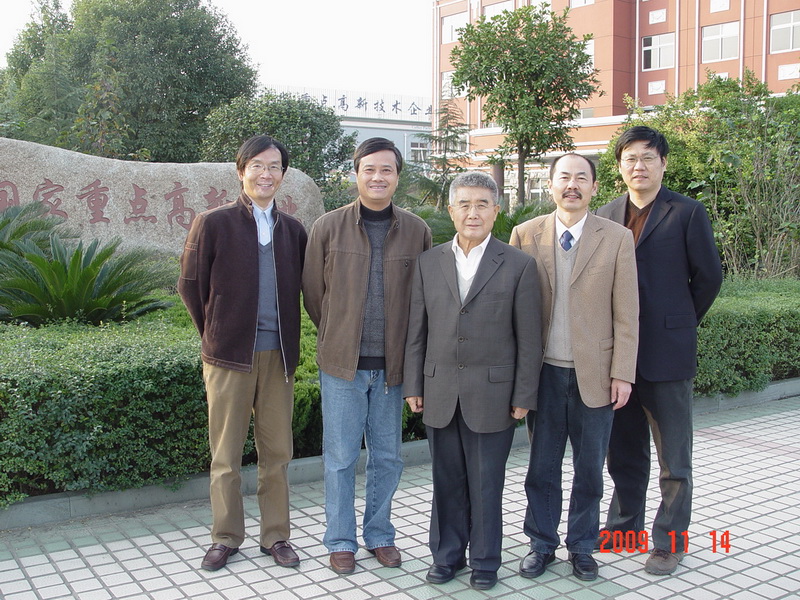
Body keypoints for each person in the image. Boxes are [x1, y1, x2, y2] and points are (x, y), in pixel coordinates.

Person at [404, 172, 542, 591]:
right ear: (451, 211)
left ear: (496, 210)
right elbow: (416, 330)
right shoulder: (429, 262)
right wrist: (414, 385)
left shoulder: (519, 265)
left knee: (486, 484)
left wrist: (524, 394)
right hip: (440, 389)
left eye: (482, 204)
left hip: (494, 395)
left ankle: (485, 561)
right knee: (446, 481)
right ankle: (447, 556)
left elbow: (529, 338)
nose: (473, 213)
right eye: (464, 204)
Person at [597, 126, 722, 576]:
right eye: (630, 158)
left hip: (667, 354)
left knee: (674, 458)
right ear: (619, 166)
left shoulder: (687, 212)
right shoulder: (606, 215)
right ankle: (623, 528)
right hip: (619, 358)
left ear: (663, 163)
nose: (639, 166)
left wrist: (680, 322)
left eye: (648, 157)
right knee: (623, 452)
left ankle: (670, 542)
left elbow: (708, 278)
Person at [178, 135, 308, 572]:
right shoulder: (213, 223)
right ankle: (225, 537)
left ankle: (276, 536)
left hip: (278, 358)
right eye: (257, 165)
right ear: (241, 171)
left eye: (274, 167)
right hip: (229, 359)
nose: (266, 174)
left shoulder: (293, 231)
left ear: (283, 175)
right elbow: (190, 286)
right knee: (225, 455)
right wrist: (215, 334)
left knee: (277, 453)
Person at [302, 137, 432, 575]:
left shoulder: (416, 230)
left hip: (392, 368)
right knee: (340, 457)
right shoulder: (328, 227)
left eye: (386, 170)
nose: (378, 177)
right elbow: (313, 293)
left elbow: (424, 298)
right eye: (369, 169)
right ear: (356, 173)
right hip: (343, 366)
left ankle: (380, 535)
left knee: (388, 457)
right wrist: (337, 333)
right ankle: (340, 540)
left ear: (397, 176)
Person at [510, 153, 639, 581]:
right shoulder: (525, 234)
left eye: (581, 178)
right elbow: (511, 309)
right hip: (543, 372)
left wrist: (622, 372)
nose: (572, 185)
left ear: (594, 187)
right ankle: (541, 544)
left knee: (589, 468)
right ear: (550, 185)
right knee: (541, 467)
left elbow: (627, 313)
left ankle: (583, 546)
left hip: (596, 374)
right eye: (564, 177)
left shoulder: (617, 237)